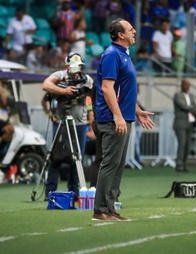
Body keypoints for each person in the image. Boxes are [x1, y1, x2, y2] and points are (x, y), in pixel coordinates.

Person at [92, 19, 154, 221]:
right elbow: (107, 88)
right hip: (112, 119)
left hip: (123, 117)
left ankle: (110, 209)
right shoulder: (112, 55)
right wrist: (118, 116)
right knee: (110, 164)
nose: (134, 31)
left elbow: (123, 91)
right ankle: (100, 210)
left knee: (117, 166)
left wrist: (136, 110)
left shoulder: (123, 55)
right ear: (120, 35)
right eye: (130, 29)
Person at [41, 52, 94, 200]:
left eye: (79, 67)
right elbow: (45, 85)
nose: (77, 71)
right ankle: (49, 191)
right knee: (56, 157)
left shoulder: (86, 79)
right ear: (67, 66)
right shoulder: (60, 75)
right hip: (61, 122)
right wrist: (64, 91)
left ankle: (75, 191)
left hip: (80, 123)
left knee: (78, 158)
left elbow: (93, 93)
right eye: (74, 67)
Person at [173, 79, 196, 172]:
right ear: (181, 85)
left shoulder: (191, 96)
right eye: (185, 85)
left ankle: (184, 164)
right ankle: (179, 164)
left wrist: (192, 109)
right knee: (182, 144)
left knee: (188, 145)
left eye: (188, 85)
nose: (187, 86)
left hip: (190, 122)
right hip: (180, 123)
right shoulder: (177, 95)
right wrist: (192, 109)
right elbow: (184, 106)